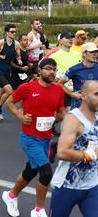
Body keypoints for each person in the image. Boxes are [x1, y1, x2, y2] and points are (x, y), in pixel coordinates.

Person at [3, 58, 65, 217]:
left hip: (45, 139)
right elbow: (10, 102)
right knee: (46, 173)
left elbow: (60, 112)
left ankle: (10, 196)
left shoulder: (58, 90)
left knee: (30, 172)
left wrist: (59, 117)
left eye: (54, 69)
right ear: (39, 70)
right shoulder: (27, 87)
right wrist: (20, 116)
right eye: (49, 68)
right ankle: (38, 209)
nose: (52, 72)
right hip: (29, 138)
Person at [50, 80, 98, 217]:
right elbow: (63, 152)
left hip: (92, 186)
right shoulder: (73, 120)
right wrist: (88, 155)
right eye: (96, 94)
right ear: (83, 95)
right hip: (67, 186)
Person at [58, 42, 98, 110]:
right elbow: (60, 83)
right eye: (91, 52)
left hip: (95, 106)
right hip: (78, 106)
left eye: (96, 52)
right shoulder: (74, 69)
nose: (95, 54)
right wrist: (72, 94)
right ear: (84, 53)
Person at [50, 31, 82, 110]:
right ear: (60, 41)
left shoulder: (78, 54)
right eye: (67, 38)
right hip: (63, 89)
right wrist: (53, 77)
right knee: (67, 114)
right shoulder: (54, 56)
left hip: (77, 89)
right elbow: (46, 70)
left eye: (71, 38)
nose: (70, 40)